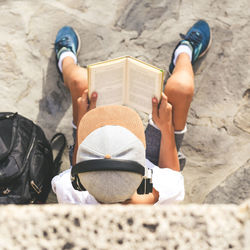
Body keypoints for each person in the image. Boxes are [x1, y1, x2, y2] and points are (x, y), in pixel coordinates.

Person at [51, 20, 211, 205]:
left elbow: (79, 166)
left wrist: (83, 121)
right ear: (142, 165)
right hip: (150, 164)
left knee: (80, 83)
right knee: (181, 88)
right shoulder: (160, 186)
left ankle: (65, 59)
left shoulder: (69, 188)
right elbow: (171, 175)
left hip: (91, 168)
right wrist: (166, 128)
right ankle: (184, 53)